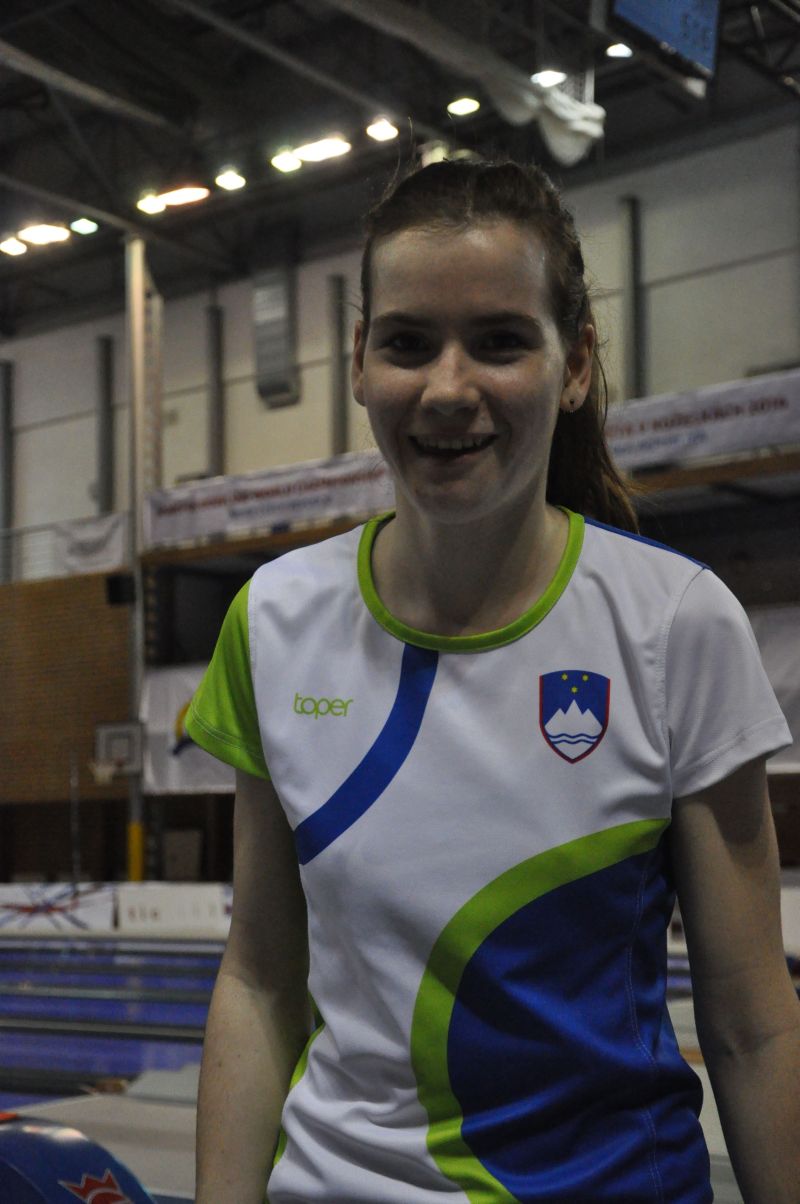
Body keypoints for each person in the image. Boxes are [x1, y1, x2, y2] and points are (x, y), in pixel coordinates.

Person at [188, 158, 799, 1203]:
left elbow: (752, 1026)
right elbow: (258, 979)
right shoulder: (275, 620)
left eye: (500, 341)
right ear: (358, 362)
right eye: (407, 343)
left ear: (574, 364)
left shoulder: (675, 624)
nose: (447, 388)